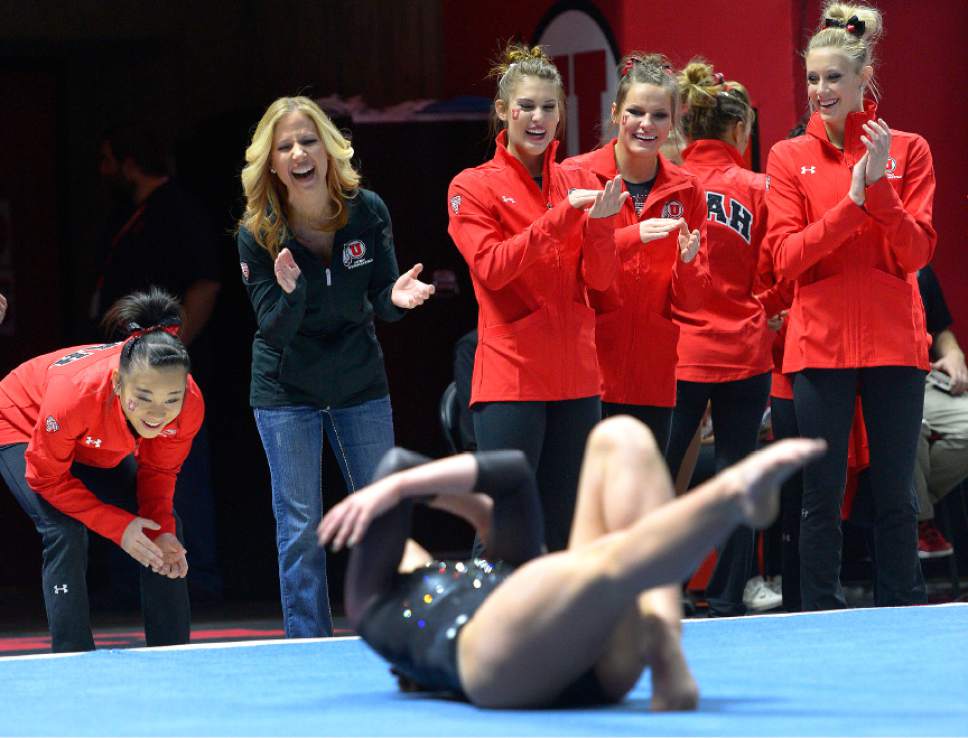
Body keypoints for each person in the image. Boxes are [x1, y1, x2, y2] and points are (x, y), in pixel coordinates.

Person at [319, 416, 825, 708]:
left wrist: (425, 494)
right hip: (491, 661)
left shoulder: (487, 570)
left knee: (620, 436)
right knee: (603, 565)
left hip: (594, 657)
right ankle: (730, 497)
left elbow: (513, 477)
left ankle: (664, 645)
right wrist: (404, 489)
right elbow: (396, 471)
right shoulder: (371, 604)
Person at [237, 96, 434, 638]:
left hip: (357, 380)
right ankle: (308, 642)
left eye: (308, 141)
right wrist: (292, 291)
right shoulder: (258, 231)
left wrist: (397, 297)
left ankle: (397, 629)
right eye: (285, 146)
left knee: (381, 512)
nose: (299, 152)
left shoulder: (367, 210)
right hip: (285, 388)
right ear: (271, 163)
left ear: (328, 150)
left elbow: (383, 303)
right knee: (300, 526)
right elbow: (273, 328)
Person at [764, 2, 935, 609]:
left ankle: (903, 611)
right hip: (819, 344)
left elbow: (915, 252)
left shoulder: (910, 150)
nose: (820, 89)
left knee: (896, 494)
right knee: (820, 494)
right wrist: (849, 206)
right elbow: (784, 258)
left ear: (864, 78)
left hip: (893, 342)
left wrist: (880, 187)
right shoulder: (787, 158)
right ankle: (816, 613)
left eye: (833, 77)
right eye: (812, 78)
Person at [446, 43, 626, 552]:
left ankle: (555, 632)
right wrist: (563, 217)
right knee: (508, 528)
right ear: (503, 110)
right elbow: (493, 268)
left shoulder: (580, 180)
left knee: (566, 527)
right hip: (512, 377)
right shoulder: (472, 187)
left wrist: (601, 227)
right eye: (526, 106)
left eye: (549, 107)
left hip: (576, 377)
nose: (538, 117)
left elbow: (602, 282)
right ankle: (487, 631)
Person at [0, 288, 201, 652]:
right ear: (117, 384)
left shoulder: (188, 403)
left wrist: (163, 529)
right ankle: (73, 653)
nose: (158, 412)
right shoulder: (75, 395)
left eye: (171, 399)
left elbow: (159, 473)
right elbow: (46, 477)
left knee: (163, 527)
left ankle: (173, 650)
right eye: (143, 398)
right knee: (64, 529)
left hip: (93, 438)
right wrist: (118, 527)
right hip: (23, 419)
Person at [663, 61, 773, 616]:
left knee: (660, 476)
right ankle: (729, 596)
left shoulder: (669, 183)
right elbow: (775, 274)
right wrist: (762, 310)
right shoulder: (758, 188)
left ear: (686, 127)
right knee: (738, 476)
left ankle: (654, 589)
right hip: (745, 353)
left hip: (680, 353)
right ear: (740, 131)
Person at [94, 122, 222, 600]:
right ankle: (132, 583)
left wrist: (165, 359)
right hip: (121, 383)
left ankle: (195, 581)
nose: (102, 171)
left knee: (176, 477)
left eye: (108, 160)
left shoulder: (178, 209)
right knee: (121, 475)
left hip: (165, 376)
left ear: (129, 162)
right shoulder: (128, 213)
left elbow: (206, 284)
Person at [562, 52, 707, 453]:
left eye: (659, 116)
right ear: (616, 114)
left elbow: (692, 302)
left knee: (642, 506)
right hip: (587, 369)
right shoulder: (575, 175)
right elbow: (572, 271)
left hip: (652, 373)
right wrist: (632, 236)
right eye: (636, 112)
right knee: (586, 502)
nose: (647, 124)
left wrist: (690, 264)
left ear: (674, 122)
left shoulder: (688, 189)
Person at [914, 265, 968, 558]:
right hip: (870, 383)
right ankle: (917, 521)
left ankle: (912, 507)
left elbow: (940, 328)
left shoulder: (919, 263)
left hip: (922, 377)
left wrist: (954, 354)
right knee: (911, 428)